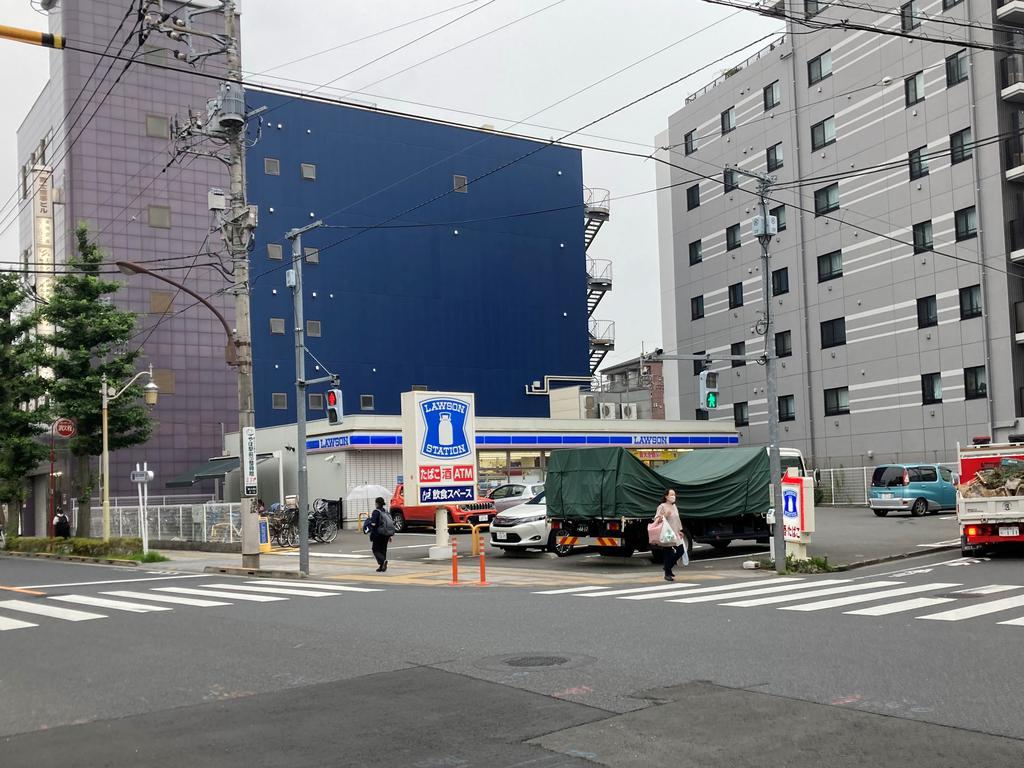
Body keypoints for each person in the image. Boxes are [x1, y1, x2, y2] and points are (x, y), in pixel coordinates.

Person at [655, 489, 687, 581]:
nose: (674, 496)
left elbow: (677, 519)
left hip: (675, 532)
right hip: (667, 532)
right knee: (668, 552)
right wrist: (665, 515)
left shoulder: (674, 506)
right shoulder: (662, 506)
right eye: (671, 494)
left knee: (680, 551)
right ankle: (667, 573)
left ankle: (667, 567)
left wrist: (680, 530)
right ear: (666, 496)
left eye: (674, 495)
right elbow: (656, 519)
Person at [363, 497, 392, 572]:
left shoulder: (376, 512)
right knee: (383, 549)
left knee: (375, 549)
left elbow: (373, 524)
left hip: (378, 533)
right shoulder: (386, 511)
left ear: (377, 503)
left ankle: (383, 561)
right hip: (386, 533)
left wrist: (370, 520)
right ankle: (382, 566)